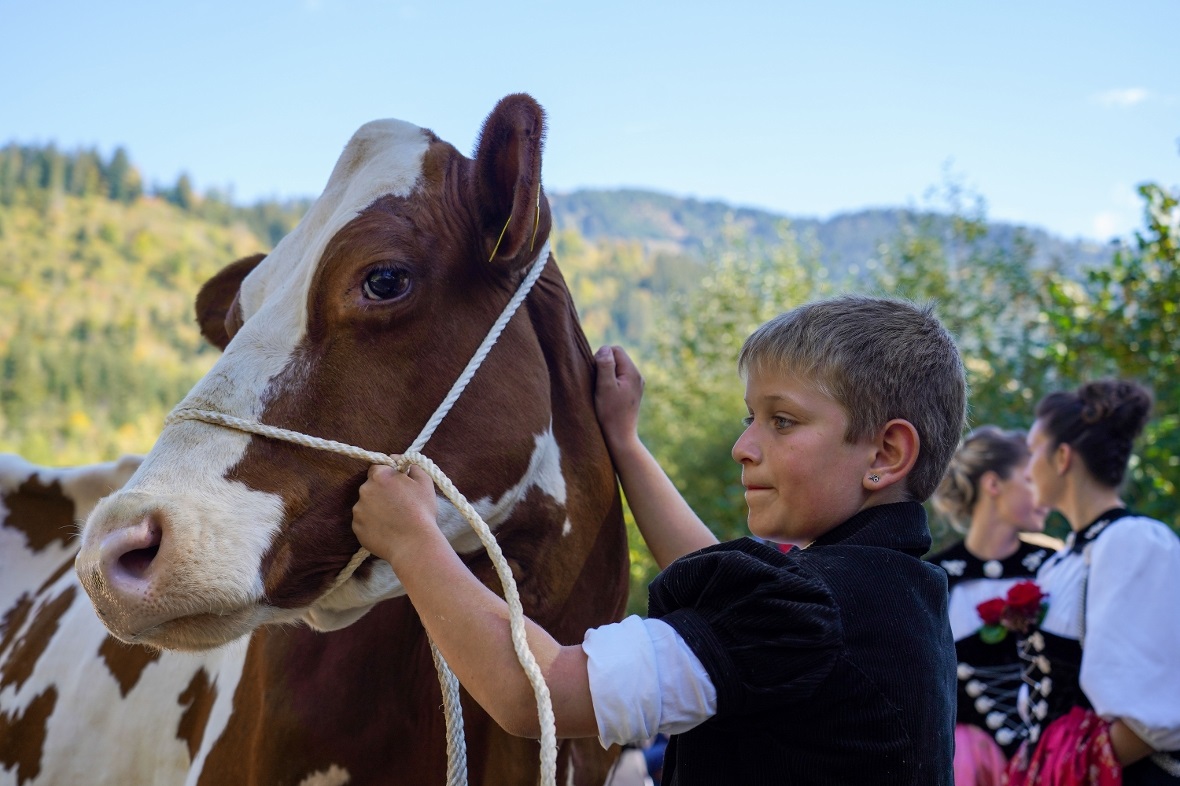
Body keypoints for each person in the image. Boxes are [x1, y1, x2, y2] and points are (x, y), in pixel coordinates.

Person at [352, 294, 966, 784]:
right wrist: (624, 442)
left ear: (886, 453)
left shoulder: (812, 613)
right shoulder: (895, 589)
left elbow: (535, 693)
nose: (743, 447)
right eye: (749, 418)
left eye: (783, 421)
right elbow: (723, 580)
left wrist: (412, 541)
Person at [1008, 379, 1180, 786]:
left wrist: (1070, 766)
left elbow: (1157, 709)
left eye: (1033, 452)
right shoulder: (1065, 559)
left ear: (1062, 457)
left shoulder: (1133, 541)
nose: (1028, 469)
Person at [928, 426, 1055, 785]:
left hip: (1055, 762)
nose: (1045, 494)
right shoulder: (936, 578)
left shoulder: (1056, 568)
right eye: (1031, 479)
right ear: (993, 485)